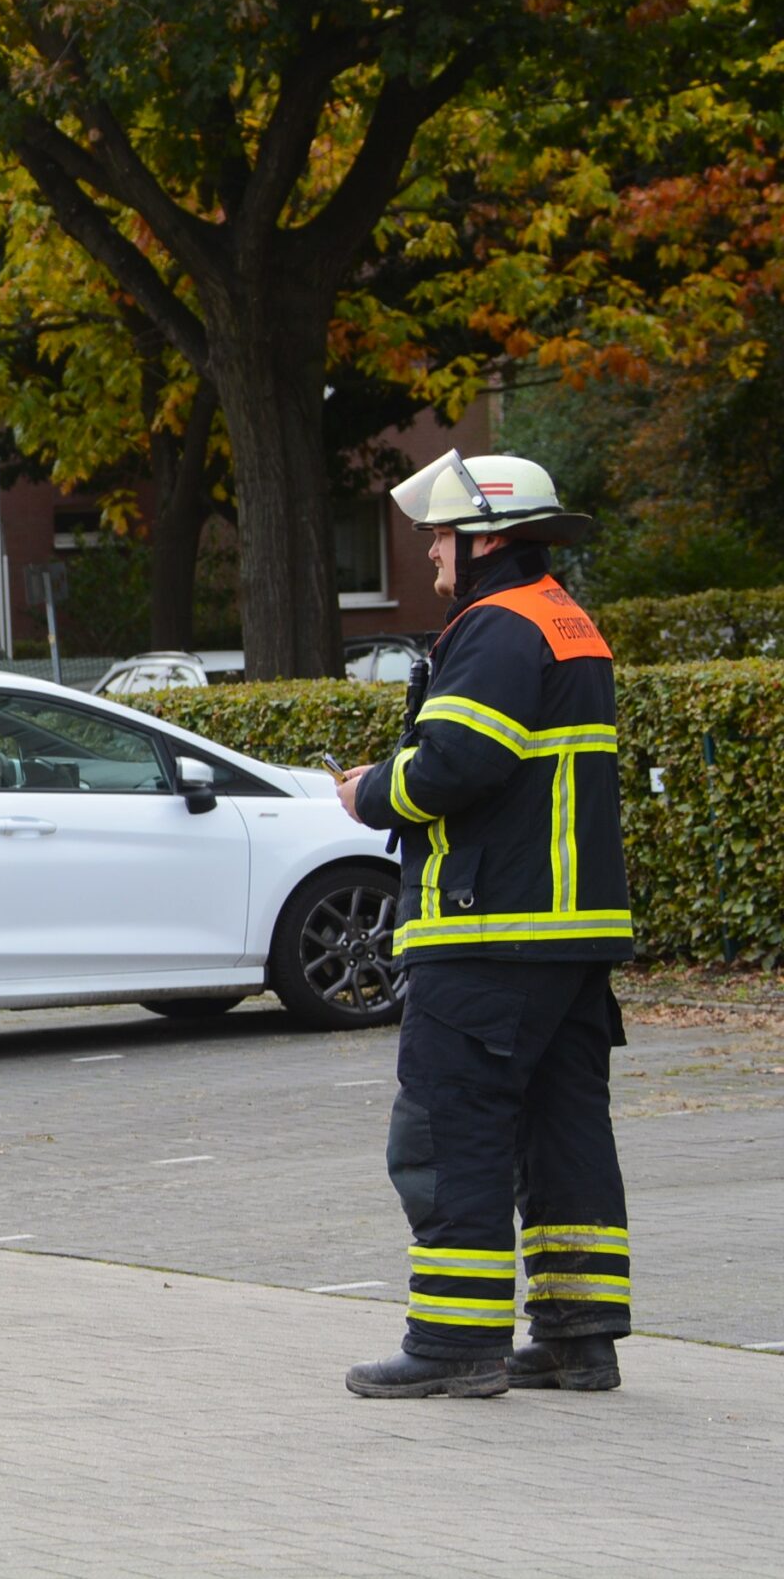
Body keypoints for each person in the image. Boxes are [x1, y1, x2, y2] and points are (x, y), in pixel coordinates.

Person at [334, 452, 633, 1399]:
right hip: (565, 937)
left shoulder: (497, 628)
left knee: (447, 1131)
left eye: (439, 534)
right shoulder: (563, 620)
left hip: (488, 931)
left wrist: (366, 792)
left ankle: (453, 1345)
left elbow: (455, 764)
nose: (428, 554)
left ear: (486, 535)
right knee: (561, 1130)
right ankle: (578, 1336)